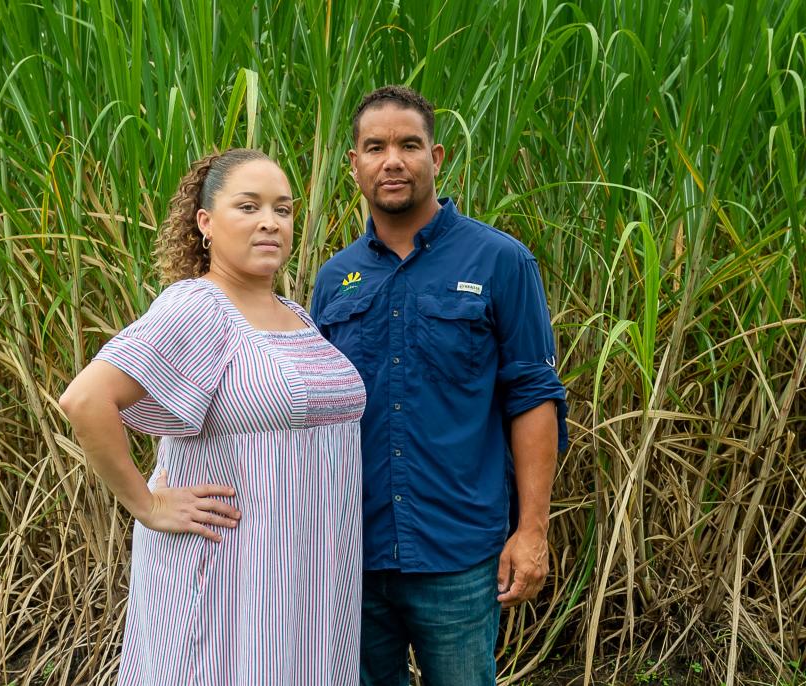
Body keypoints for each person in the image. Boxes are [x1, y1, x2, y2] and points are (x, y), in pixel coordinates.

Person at [60, 148, 366, 685]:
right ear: (205, 222)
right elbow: (86, 401)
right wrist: (149, 504)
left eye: (283, 209)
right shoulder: (199, 307)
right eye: (248, 207)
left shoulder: (293, 315)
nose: (270, 222)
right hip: (228, 580)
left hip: (309, 583)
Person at [310, 86, 568, 686]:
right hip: (355, 553)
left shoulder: (500, 261)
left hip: (457, 552)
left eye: (409, 144)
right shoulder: (334, 280)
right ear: (353, 164)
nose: (392, 160)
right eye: (374, 147)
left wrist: (532, 531)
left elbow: (532, 397)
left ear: (438, 156)